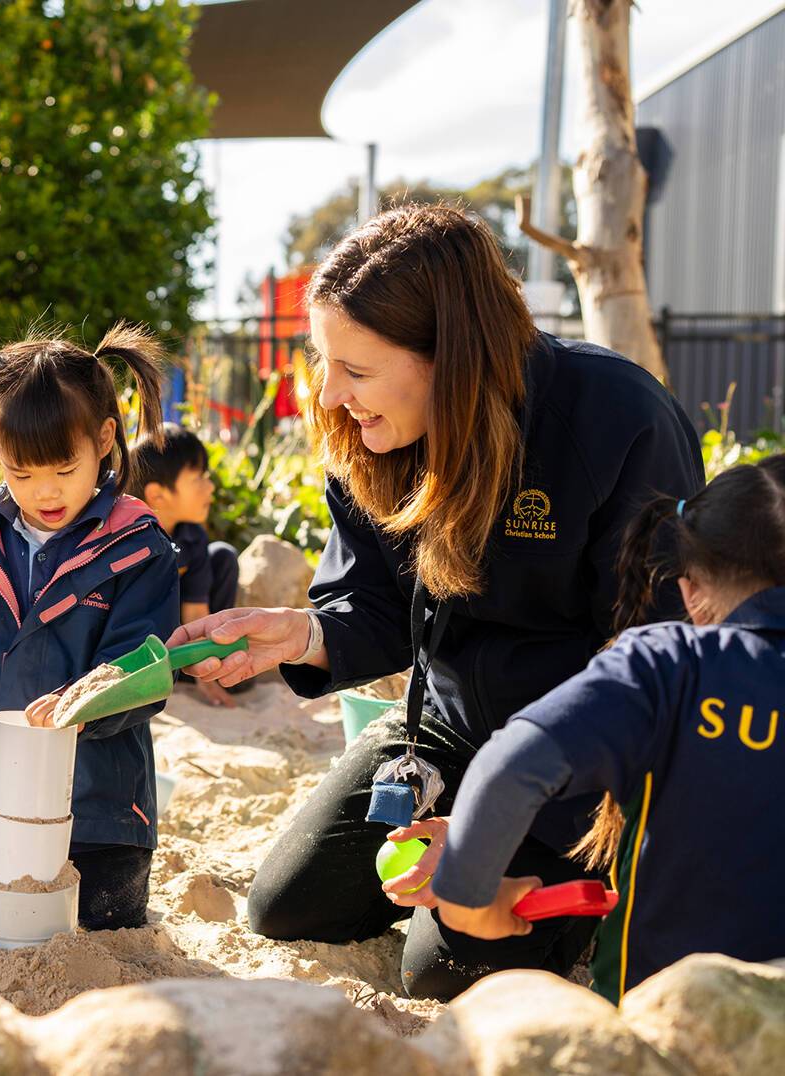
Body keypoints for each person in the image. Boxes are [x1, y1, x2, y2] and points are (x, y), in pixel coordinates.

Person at [171, 203, 704, 1000]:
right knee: (286, 908)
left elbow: (651, 674)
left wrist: (497, 823)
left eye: (355, 370)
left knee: (446, 972)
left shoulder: (618, 420)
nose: (327, 395)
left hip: (576, 760)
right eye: (322, 362)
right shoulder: (372, 439)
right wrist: (303, 634)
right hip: (445, 728)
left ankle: (576, 906)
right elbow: (381, 611)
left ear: (451, 358)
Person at [404, 455, 785, 1002]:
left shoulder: (666, 665)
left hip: (666, 1014)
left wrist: (471, 899)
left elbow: (508, 766)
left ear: (691, 589)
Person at [0, 324, 180, 930]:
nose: (44, 490)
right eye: (21, 472)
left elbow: (143, 665)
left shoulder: (138, 548)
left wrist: (79, 705)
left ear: (103, 440)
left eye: (64, 468)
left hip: (100, 811)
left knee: (101, 922)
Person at [130, 422, 243, 706]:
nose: (210, 486)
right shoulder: (127, 537)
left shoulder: (191, 535)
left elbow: (196, 609)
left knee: (223, 557)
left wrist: (208, 678)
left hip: (178, 634)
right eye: (198, 479)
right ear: (158, 495)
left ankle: (191, 670)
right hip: (135, 641)